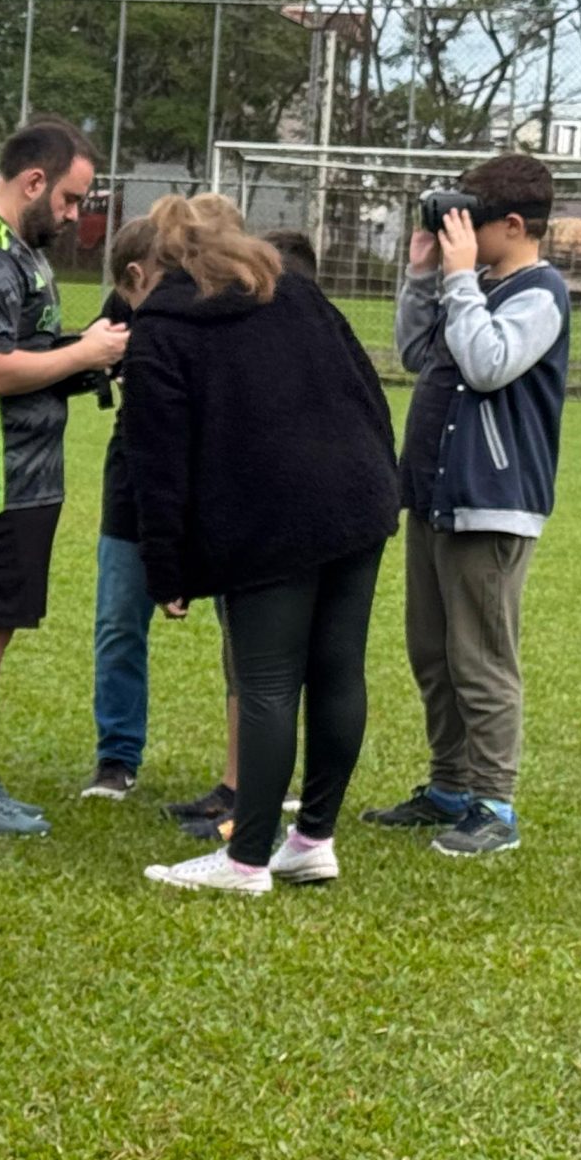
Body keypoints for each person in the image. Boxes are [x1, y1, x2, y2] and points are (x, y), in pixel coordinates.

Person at [122, 195, 398, 895]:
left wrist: (166, 568)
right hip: (357, 496)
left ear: (160, 261)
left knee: (268, 682)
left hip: (267, 513)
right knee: (339, 669)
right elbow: (369, 390)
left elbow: (156, 458)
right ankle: (312, 840)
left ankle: (245, 858)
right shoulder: (297, 292)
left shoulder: (161, 326)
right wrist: (379, 482)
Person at [0, 120, 128, 837]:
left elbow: (27, 351)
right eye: (71, 199)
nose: (74, 216)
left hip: (22, 473)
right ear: (33, 182)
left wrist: (87, 353)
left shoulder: (14, 250)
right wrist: (82, 355)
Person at [362, 154, 568, 857]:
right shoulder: (472, 287)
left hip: (492, 503)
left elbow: (487, 364)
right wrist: (428, 271)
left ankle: (494, 805)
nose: (459, 234)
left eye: (468, 222)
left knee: (481, 659)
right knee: (433, 651)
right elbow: (420, 351)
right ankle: (449, 785)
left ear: (512, 225)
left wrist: (457, 282)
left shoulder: (540, 294)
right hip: (435, 497)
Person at [163, 228, 319, 843]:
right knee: (246, 668)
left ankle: (256, 818)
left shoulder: (290, 350)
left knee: (269, 679)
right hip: (254, 528)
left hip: (282, 533)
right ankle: (240, 790)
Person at [82, 216, 163, 802]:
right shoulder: (128, 293)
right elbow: (94, 350)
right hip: (133, 472)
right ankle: (117, 757)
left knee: (249, 633)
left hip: (215, 476)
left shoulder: (216, 294)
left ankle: (250, 768)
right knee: (118, 619)